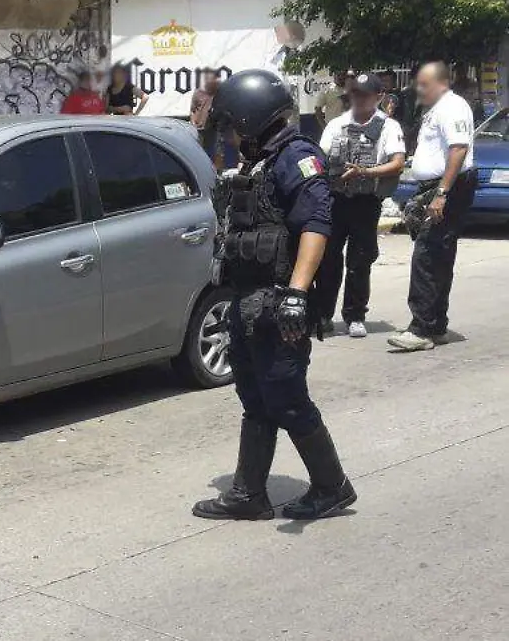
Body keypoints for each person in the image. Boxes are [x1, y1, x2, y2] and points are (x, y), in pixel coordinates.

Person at [192, 69, 356, 522]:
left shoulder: (297, 157)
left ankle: (331, 485)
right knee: (256, 397)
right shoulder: (257, 161)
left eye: (231, 123)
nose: (227, 132)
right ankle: (249, 494)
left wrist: (298, 294)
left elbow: (316, 226)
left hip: (278, 300)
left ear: (250, 116)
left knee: (285, 396)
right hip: (247, 301)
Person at [388, 62, 476, 352]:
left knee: (427, 253)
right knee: (437, 254)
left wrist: (441, 193)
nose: (418, 90)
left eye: (423, 84)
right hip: (436, 185)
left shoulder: (453, 107)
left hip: (448, 186)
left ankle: (422, 328)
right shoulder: (436, 109)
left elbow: (458, 149)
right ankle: (435, 322)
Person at [316, 73, 406, 338]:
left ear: (379, 97)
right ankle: (322, 315)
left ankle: (355, 315)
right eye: (355, 94)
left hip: (366, 201)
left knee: (360, 260)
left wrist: (365, 172)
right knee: (328, 259)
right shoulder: (336, 124)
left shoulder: (389, 127)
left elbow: (398, 162)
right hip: (336, 200)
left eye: (365, 95)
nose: (359, 99)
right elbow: (320, 159)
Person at [190, 68, 222, 162]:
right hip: (199, 128)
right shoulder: (198, 92)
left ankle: (214, 171)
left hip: (212, 127)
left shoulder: (218, 93)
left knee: (213, 151)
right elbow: (192, 110)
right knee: (198, 151)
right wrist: (193, 123)